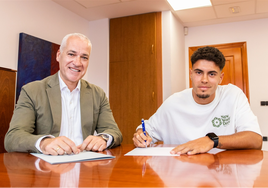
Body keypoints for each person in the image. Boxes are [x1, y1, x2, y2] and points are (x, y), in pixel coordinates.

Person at [5, 33, 122, 155]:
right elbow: (12, 138)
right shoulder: (32, 91)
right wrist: (43, 143)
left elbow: (114, 132)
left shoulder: (98, 94)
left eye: (84, 57)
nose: (77, 63)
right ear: (59, 55)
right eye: (71, 54)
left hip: (85, 166)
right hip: (46, 168)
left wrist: (103, 138)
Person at [133, 46, 262, 155]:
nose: (204, 79)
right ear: (191, 74)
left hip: (221, 172)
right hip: (182, 174)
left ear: (220, 78)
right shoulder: (173, 102)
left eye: (212, 74)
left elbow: (255, 140)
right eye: (199, 72)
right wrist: (140, 135)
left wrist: (212, 141)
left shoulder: (233, 95)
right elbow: (147, 130)